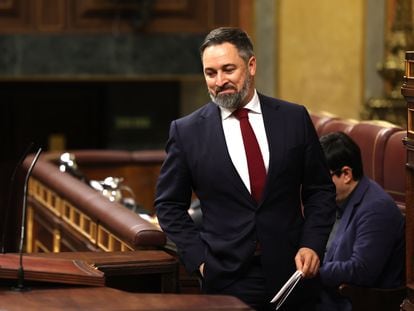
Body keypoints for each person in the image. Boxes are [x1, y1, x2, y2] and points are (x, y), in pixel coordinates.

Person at [155, 27, 336, 310]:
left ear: (251, 66)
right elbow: (168, 204)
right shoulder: (186, 131)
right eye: (210, 73)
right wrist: (200, 261)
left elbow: (320, 190)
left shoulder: (293, 118)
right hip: (226, 276)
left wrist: (312, 244)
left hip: (293, 272)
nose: (219, 81)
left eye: (228, 69)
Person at [317, 131, 405, 311]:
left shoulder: (376, 208)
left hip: (355, 301)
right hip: (326, 293)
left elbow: (361, 270)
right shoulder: (336, 198)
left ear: (346, 174)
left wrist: (313, 271)